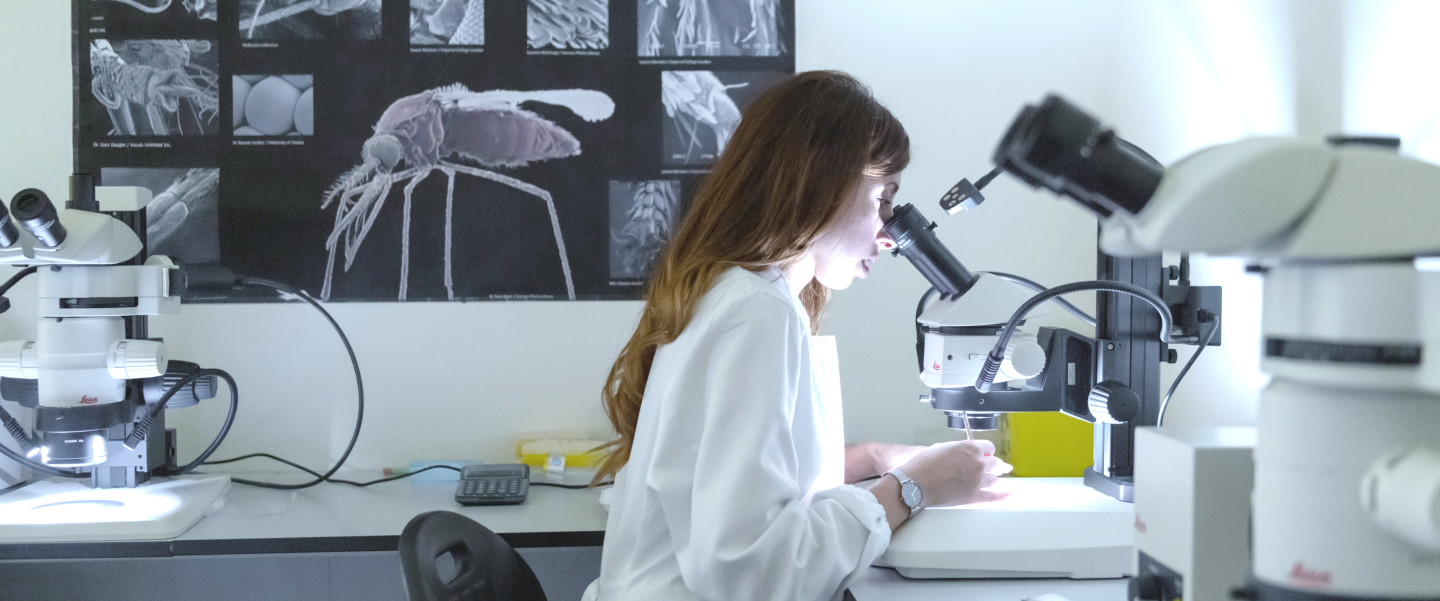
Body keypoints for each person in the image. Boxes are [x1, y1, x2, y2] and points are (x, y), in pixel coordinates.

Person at [583, 70, 1011, 601]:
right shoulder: (755, 314)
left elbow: (737, 472)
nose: (889, 232)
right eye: (883, 198)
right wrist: (911, 488)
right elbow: (754, 570)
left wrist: (876, 457)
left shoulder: (732, 293)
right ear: (820, 182)